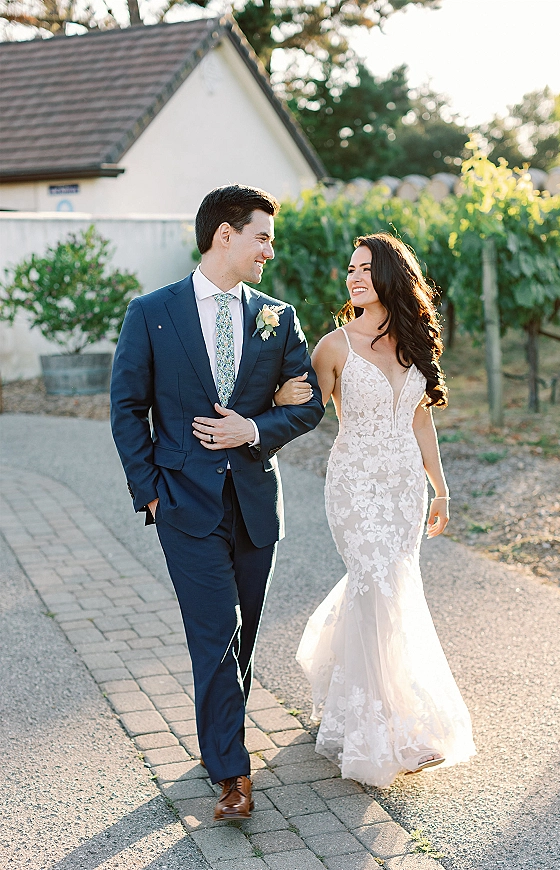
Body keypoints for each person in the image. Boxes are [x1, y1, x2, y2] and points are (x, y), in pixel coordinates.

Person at [110, 185, 324, 820]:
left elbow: (310, 401)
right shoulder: (151, 313)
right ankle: (234, 776)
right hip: (182, 504)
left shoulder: (277, 317)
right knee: (215, 635)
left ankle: (217, 741)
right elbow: (127, 408)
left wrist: (253, 429)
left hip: (256, 503)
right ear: (224, 235)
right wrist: (149, 492)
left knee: (243, 640)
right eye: (262, 236)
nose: (270, 250)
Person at [278, 232, 475, 787]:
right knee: (374, 582)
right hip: (355, 484)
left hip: (404, 487)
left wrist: (439, 486)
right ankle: (374, 729)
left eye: (365, 269)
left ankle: (385, 710)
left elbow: (419, 419)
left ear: (389, 276)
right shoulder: (333, 346)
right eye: (350, 269)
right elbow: (305, 410)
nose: (354, 277)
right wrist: (274, 402)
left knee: (394, 587)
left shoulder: (411, 342)